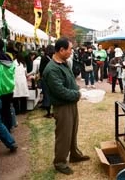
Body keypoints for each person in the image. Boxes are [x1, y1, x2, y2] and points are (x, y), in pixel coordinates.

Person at [43, 37, 90, 175]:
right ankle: (60, 162)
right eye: (70, 49)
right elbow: (60, 91)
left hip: (71, 104)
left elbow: (71, 81)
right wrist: (78, 95)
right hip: (62, 106)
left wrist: (78, 89)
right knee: (63, 135)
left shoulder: (64, 63)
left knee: (72, 131)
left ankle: (74, 154)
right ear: (61, 50)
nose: (71, 51)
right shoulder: (52, 69)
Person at [0, 36, 18, 153]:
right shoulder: (8, 58)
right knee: (6, 111)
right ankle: (9, 132)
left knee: (0, 116)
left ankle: (6, 135)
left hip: (0, 91)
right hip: (8, 89)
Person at [39, 44, 55, 118]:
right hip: (53, 78)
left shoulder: (44, 58)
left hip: (45, 78)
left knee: (46, 94)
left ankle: (48, 113)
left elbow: (41, 69)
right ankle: (54, 112)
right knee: (53, 94)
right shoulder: (54, 58)